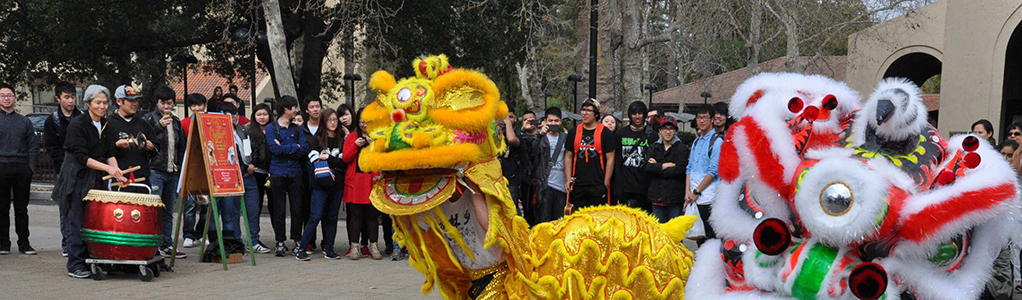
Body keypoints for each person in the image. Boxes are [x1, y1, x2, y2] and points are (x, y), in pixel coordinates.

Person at [52, 85, 127, 278]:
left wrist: (117, 172)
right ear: (88, 104)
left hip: (96, 176)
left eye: (105, 102)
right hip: (77, 177)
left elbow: (110, 152)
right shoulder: (77, 124)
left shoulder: (106, 124)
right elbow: (81, 157)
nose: (102, 106)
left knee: (95, 220)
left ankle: (94, 259)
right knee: (77, 220)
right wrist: (108, 169)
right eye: (98, 103)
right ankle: (76, 264)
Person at [143, 86, 187, 259]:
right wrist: (159, 126)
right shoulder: (149, 119)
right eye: (163, 103)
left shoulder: (176, 121)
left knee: (168, 211)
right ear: (157, 103)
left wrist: (180, 166)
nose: (166, 106)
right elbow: (144, 140)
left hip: (172, 171)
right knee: (153, 210)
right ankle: (152, 245)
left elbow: (181, 146)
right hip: (155, 170)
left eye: (169, 103)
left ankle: (167, 245)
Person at [295, 108, 346, 261]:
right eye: (329, 120)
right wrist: (329, 159)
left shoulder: (341, 139)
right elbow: (313, 160)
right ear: (323, 121)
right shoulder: (316, 139)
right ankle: (302, 248)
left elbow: (343, 162)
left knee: (332, 217)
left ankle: (329, 249)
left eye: (335, 120)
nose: (332, 123)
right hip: (320, 183)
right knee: (315, 216)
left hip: (337, 184)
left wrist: (327, 157)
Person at [214, 103, 263, 254]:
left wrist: (252, 164)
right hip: (231, 177)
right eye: (227, 113)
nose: (232, 117)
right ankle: (236, 241)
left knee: (253, 209)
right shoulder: (218, 134)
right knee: (232, 211)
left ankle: (253, 241)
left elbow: (252, 148)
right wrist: (243, 168)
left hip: (249, 175)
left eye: (234, 114)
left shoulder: (243, 130)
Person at [265, 95, 309, 257]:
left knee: (297, 208)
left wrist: (285, 147)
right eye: (293, 108)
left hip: (295, 173)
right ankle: (279, 241)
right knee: (279, 209)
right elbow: (274, 150)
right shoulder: (272, 128)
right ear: (285, 109)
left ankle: (297, 240)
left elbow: (304, 148)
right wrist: (293, 147)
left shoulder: (297, 129)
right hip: (278, 173)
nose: (296, 111)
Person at [0, 82, 38, 256]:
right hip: (2, 166)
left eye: (9, 95)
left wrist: (30, 168)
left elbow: (32, 146)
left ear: (15, 98)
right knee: (2, 208)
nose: (6, 99)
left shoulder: (24, 121)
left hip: (21, 167)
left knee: (22, 208)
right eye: (2, 96)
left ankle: (24, 243)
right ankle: (3, 244)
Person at [43, 81, 80, 256]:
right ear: (58, 98)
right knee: (65, 205)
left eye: (73, 97)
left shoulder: (82, 117)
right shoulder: (53, 121)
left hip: (82, 167)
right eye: (66, 97)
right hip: (63, 169)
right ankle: (67, 242)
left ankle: (81, 241)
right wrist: (65, 162)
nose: (70, 101)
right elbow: (51, 147)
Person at [564, 99, 617, 212]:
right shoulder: (574, 132)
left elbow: (610, 158)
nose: (585, 113)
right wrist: (568, 179)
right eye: (583, 110)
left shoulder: (605, 133)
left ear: (596, 114)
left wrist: (606, 183)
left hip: (598, 183)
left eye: (588, 110)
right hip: (578, 184)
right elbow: (568, 156)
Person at [343, 109, 382, 260]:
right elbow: (345, 158)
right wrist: (354, 146)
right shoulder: (352, 137)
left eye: (367, 122)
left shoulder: (378, 137)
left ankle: (374, 246)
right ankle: (354, 247)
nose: (364, 125)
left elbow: (383, 159)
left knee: (372, 215)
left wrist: (374, 147)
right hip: (356, 180)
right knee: (356, 215)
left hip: (372, 180)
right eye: (361, 122)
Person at [686, 104, 722, 246]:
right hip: (694, 197)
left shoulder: (717, 141)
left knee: (711, 238)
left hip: (708, 197)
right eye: (699, 118)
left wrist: (697, 191)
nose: (701, 121)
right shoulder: (696, 141)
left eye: (705, 118)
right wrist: (688, 192)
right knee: (698, 237)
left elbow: (713, 171)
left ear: (712, 119)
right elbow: (689, 168)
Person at [614, 101, 658, 213]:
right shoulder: (620, 134)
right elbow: (616, 161)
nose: (637, 116)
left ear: (644, 115)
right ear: (630, 115)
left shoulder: (652, 135)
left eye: (640, 113)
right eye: (634, 114)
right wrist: (617, 187)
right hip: (625, 186)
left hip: (644, 186)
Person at [644, 116, 689, 223]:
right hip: (656, 198)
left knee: (675, 234)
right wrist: (665, 165)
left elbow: (680, 170)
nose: (668, 132)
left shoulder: (682, 148)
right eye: (665, 129)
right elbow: (648, 168)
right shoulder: (654, 147)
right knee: (659, 234)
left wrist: (657, 167)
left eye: (671, 129)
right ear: (660, 131)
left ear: (675, 131)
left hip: (675, 198)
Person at [180, 93, 209, 248]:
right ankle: (188, 234)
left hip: (208, 168)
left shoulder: (210, 121)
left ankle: (201, 233)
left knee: (207, 204)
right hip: (191, 166)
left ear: (205, 105)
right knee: (190, 203)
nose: (197, 108)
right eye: (193, 106)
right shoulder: (184, 123)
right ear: (190, 107)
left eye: (200, 105)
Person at [530, 107, 568, 223]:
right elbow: (532, 154)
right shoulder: (541, 138)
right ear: (545, 121)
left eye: (556, 121)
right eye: (550, 121)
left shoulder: (565, 138)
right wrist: (540, 135)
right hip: (546, 184)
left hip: (561, 185)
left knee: (559, 222)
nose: (553, 123)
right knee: (544, 220)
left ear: (561, 122)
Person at [247, 103, 274, 253]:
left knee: (275, 207)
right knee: (254, 207)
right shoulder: (249, 130)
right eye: (259, 115)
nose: (262, 117)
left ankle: (279, 239)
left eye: (264, 114)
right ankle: (253, 238)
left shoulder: (275, 130)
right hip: (255, 172)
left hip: (272, 173)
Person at [299, 96, 323, 254]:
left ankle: (327, 242)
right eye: (312, 107)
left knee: (324, 211)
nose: (315, 109)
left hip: (323, 173)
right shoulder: (301, 129)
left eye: (317, 106)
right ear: (307, 110)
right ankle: (308, 241)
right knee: (307, 210)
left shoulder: (326, 128)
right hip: (304, 174)